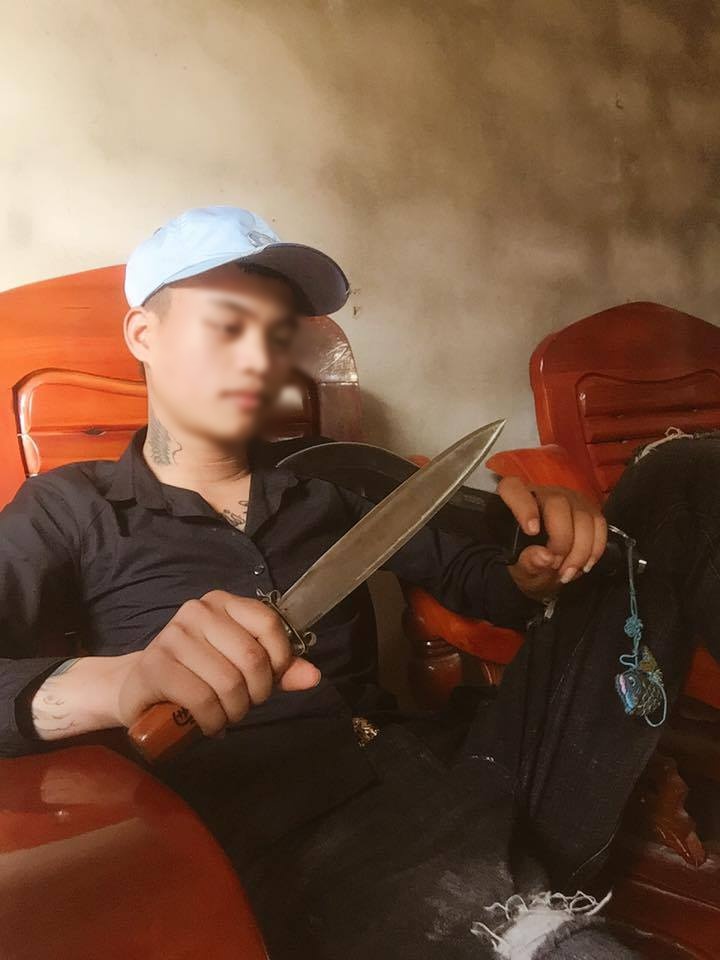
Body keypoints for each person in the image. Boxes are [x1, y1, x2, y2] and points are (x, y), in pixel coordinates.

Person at [0, 206, 715, 958]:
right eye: (227, 325)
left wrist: (535, 574)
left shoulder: (332, 480)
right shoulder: (68, 509)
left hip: (469, 771)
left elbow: (475, 581)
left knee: (683, 474)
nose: (260, 359)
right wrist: (120, 683)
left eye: (278, 334)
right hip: (293, 835)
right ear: (144, 335)